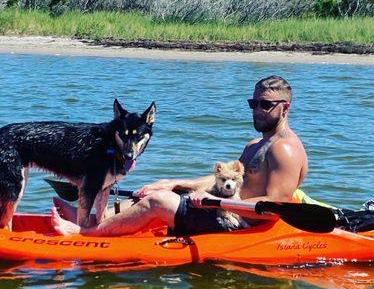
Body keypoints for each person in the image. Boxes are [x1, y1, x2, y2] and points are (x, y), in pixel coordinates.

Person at [51, 75, 308, 237]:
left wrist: (215, 202)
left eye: (265, 105)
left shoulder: (284, 149)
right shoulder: (256, 144)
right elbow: (220, 180)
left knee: (158, 202)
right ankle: (95, 216)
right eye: (254, 104)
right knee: (155, 192)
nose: (257, 111)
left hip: (240, 224)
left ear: (285, 108)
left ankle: (87, 233)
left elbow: (275, 208)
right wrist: (175, 183)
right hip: (223, 210)